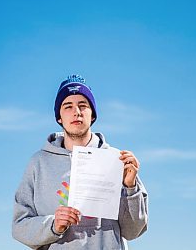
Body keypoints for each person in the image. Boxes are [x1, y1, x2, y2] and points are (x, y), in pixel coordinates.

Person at [12, 74, 148, 249]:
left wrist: (130, 188)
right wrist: (53, 225)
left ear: (92, 115)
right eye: (68, 106)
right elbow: (19, 226)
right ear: (59, 117)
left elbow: (133, 231)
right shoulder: (39, 163)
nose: (76, 111)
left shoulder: (117, 160)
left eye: (83, 105)